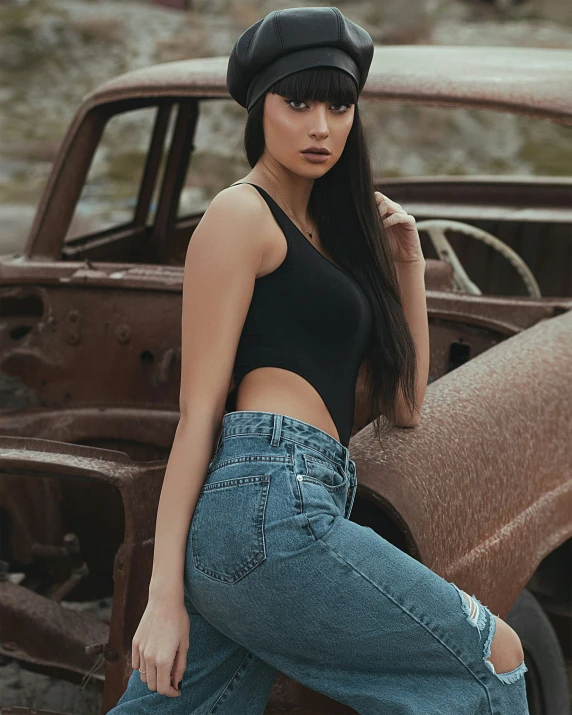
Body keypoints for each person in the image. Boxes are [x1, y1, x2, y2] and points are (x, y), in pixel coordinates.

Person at [107, 7, 529, 714]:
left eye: (338, 105)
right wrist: (162, 594)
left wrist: (406, 257)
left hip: (291, 506)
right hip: (268, 504)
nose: (321, 126)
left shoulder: (333, 235)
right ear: (259, 108)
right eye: (296, 102)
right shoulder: (241, 215)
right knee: (496, 658)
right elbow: (197, 415)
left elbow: (406, 404)